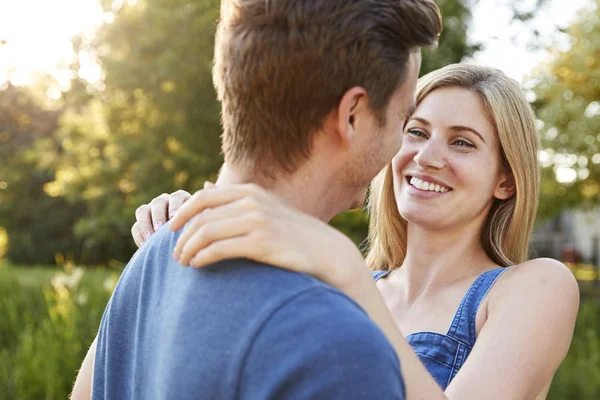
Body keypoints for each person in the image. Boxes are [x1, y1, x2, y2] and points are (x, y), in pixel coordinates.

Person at [135, 64, 580, 400]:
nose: (426, 156)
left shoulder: (535, 287)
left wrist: (346, 268)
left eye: (462, 142)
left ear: (506, 180)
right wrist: (179, 235)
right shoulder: (336, 288)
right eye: (416, 132)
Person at [71, 0, 444, 399]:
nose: (402, 145)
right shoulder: (334, 343)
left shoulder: (152, 256)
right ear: (352, 114)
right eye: (403, 120)